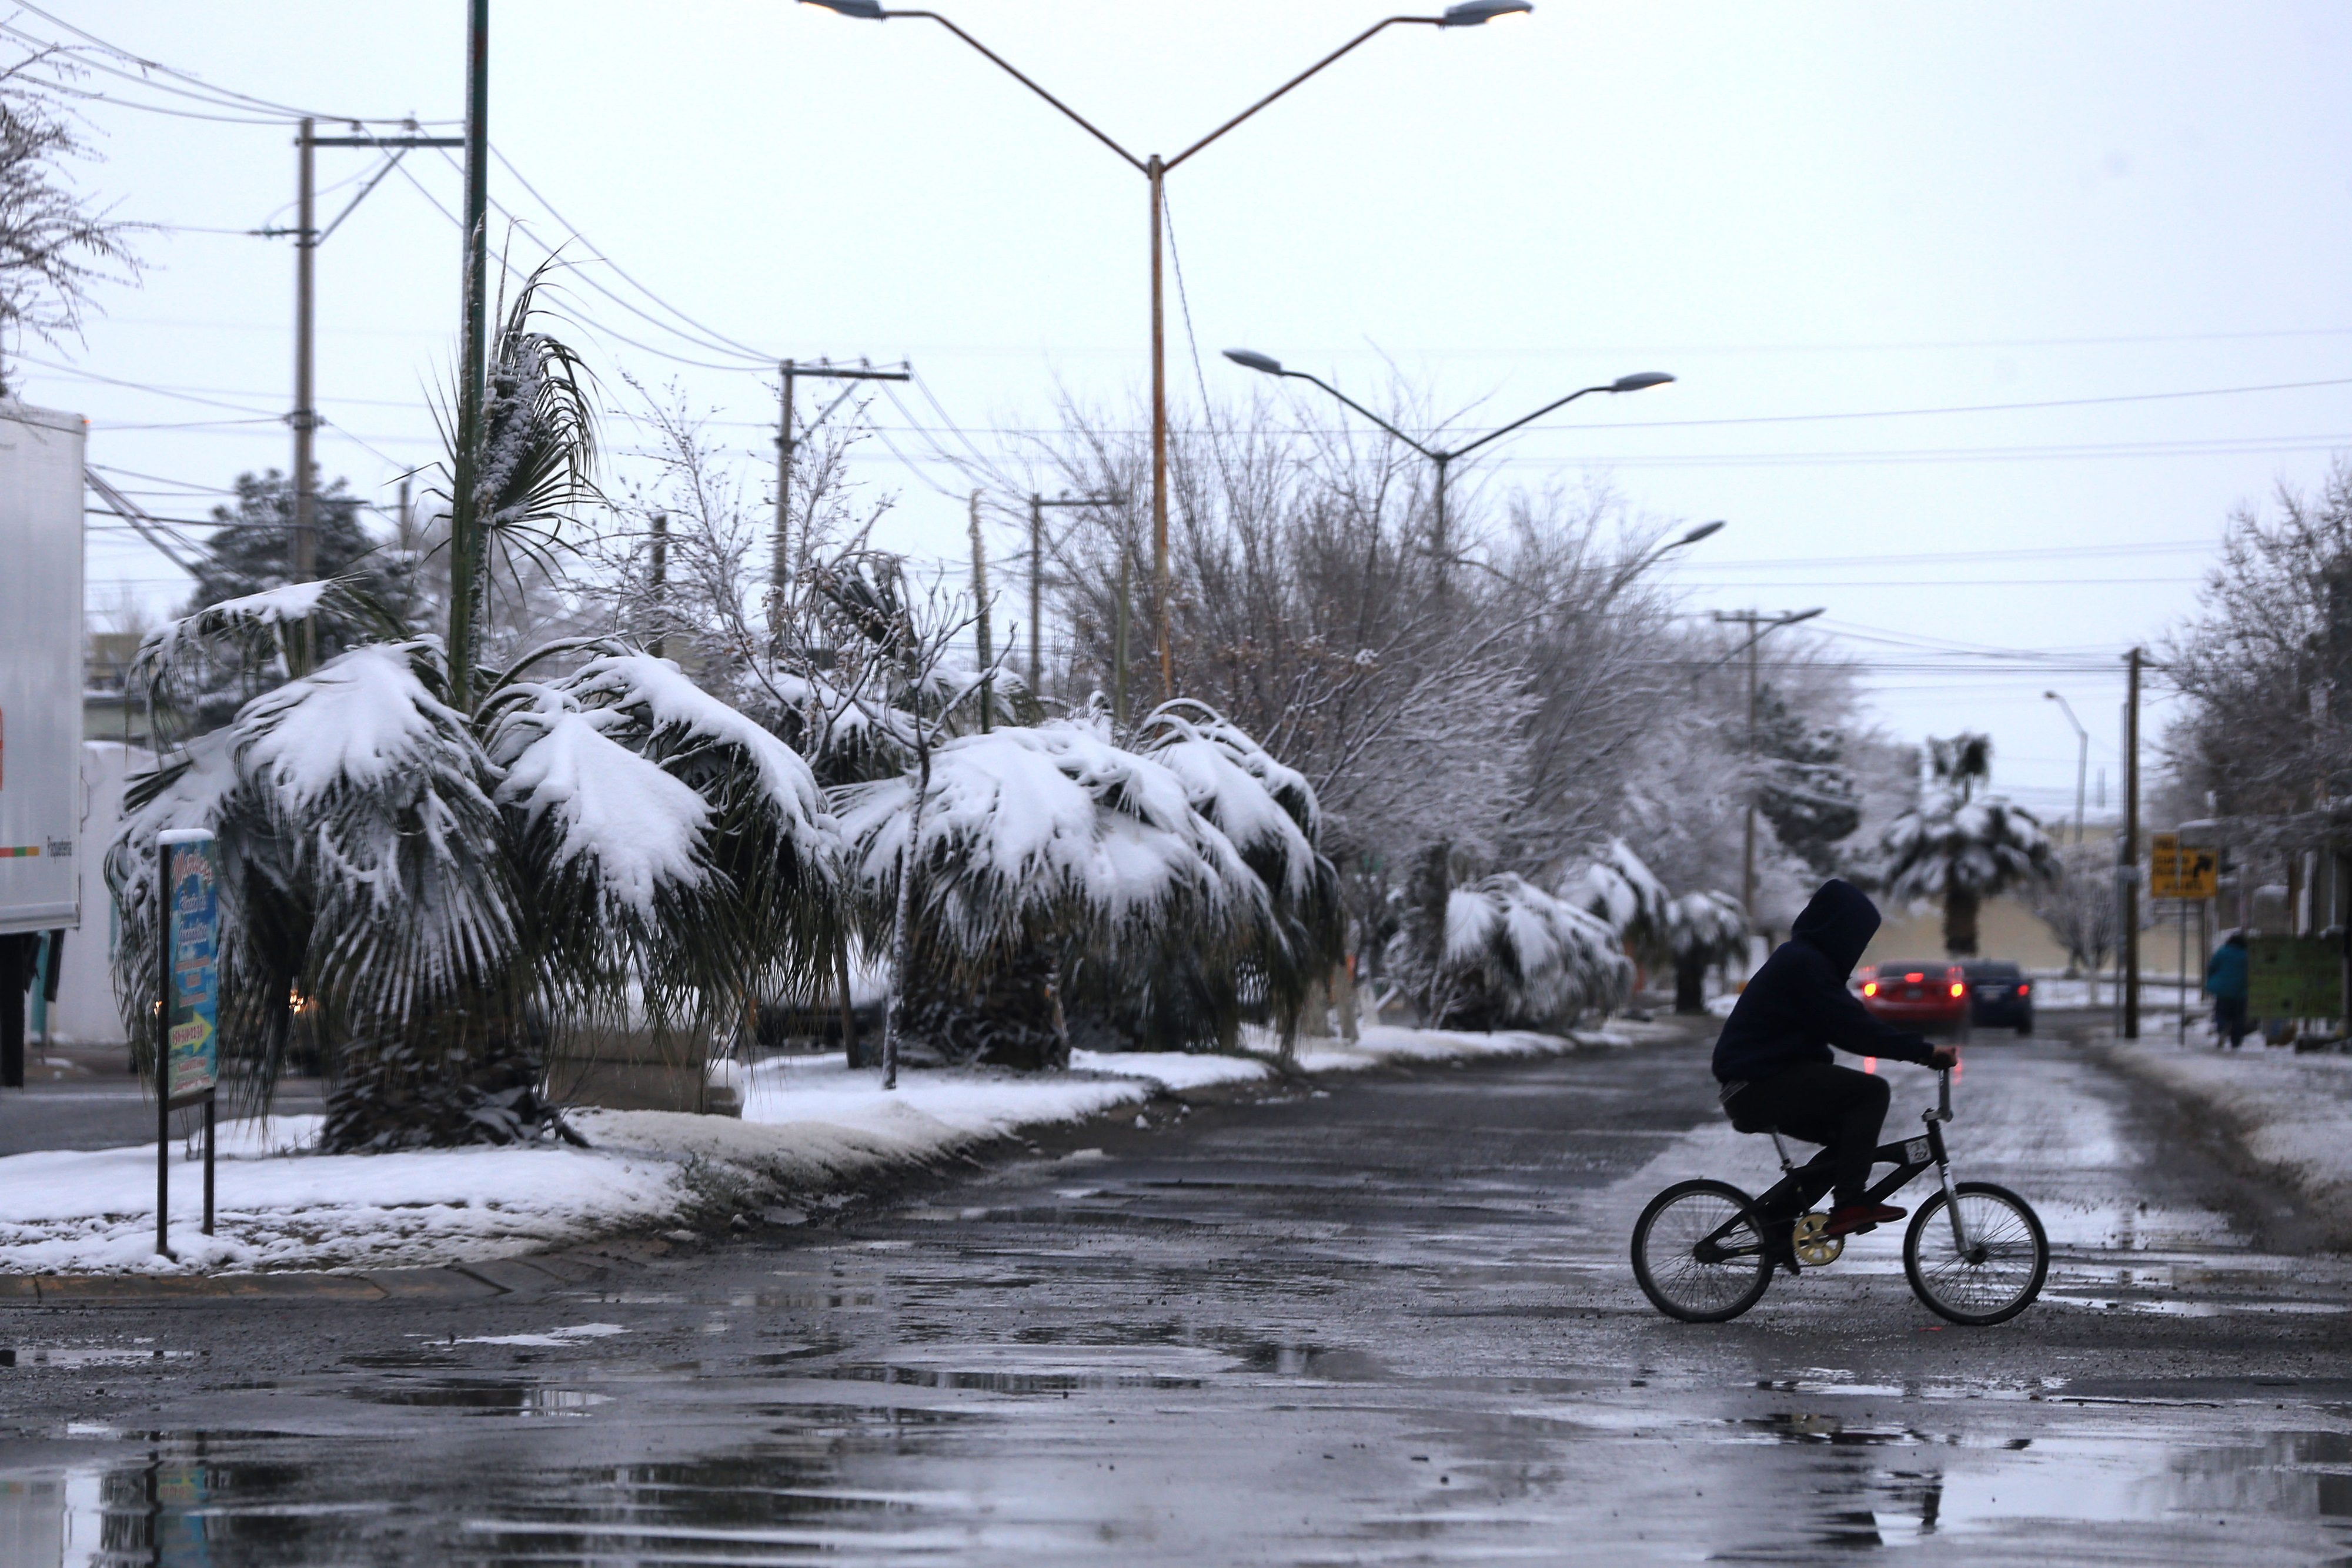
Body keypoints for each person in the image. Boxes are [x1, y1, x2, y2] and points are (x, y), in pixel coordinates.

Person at [1712, 879, 1959, 1239]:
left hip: (1760, 1081)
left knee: (1848, 1142)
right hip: (1755, 1082)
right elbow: (1852, 1027)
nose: (1857, 947)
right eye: (1856, 936)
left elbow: (1845, 1023)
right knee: (1871, 1092)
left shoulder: (1808, 963)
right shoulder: (1803, 963)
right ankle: (1850, 1204)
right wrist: (1923, 1052)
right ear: (1838, 929)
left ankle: (1775, 1226)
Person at [2204, 930, 2250, 1049]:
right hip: (2240, 991)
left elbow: (2211, 967)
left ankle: (2222, 1028)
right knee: (2238, 1017)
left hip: (2223, 990)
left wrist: (2212, 981)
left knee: (2221, 1013)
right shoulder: (2246, 955)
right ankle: (2235, 1042)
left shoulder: (2222, 952)